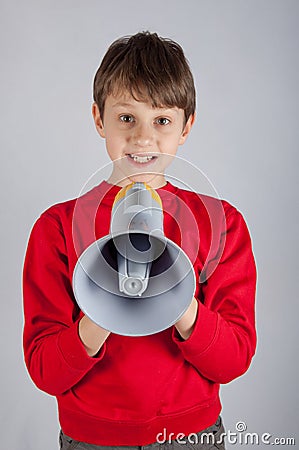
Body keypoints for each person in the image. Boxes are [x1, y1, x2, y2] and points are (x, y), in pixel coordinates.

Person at [23, 31, 256, 450]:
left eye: (162, 120)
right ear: (99, 119)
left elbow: (234, 358)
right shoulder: (56, 228)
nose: (143, 138)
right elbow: (45, 371)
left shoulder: (222, 225)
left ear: (187, 126)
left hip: (191, 435)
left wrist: (177, 302)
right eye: (126, 118)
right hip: (92, 438)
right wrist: (104, 309)